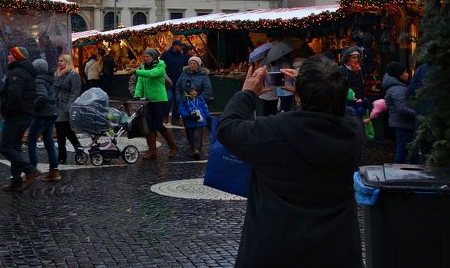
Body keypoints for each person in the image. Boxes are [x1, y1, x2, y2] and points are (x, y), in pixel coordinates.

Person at [217, 59, 365, 268]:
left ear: (297, 97)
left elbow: (227, 127)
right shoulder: (353, 133)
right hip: (337, 250)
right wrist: (321, 87)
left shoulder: (273, 131)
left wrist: (247, 93)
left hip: (274, 248)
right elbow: (345, 111)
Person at [0, 45, 41, 190]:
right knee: (15, 147)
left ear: (17, 57)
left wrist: (7, 111)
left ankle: (30, 170)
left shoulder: (17, 73)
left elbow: (14, 96)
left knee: (5, 147)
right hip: (24, 114)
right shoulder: (25, 72)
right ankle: (16, 181)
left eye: (11, 55)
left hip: (16, 115)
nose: (8, 57)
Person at [133, 47, 178, 159]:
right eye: (144, 56)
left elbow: (151, 74)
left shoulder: (160, 66)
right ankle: (152, 151)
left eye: (147, 56)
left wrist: (136, 71)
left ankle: (173, 146)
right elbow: (140, 82)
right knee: (149, 125)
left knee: (158, 124)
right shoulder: (144, 67)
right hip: (148, 101)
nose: (145, 58)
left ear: (153, 56)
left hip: (160, 100)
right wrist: (137, 95)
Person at [27, 58, 60, 181]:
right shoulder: (48, 79)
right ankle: (54, 170)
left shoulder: (38, 81)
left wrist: (32, 107)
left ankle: (32, 170)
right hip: (51, 113)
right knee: (49, 141)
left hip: (42, 115)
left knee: (31, 141)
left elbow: (42, 96)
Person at [175, 55, 213, 157]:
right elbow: (178, 87)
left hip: (198, 106)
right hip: (185, 103)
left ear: (198, 65)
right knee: (188, 127)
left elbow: (208, 90)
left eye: (194, 63)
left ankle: (197, 147)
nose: (192, 65)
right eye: (190, 63)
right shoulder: (184, 74)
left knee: (197, 127)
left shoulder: (204, 75)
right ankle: (192, 145)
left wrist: (199, 100)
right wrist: (180, 100)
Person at [52, 53, 85, 164]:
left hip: (66, 105)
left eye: (62, 60)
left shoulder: (73, 74)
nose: (59, 62)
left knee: (65, 129)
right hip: (57, 105)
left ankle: (76, 149)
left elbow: (75, 92)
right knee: (60, 130)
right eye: (59, 60)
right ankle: (64, 154)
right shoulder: (57, 74)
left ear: (67, 62)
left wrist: (70, 106)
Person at [382, 61, 417, 163]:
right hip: (403, 123)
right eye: (405, 72)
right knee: (403, 150)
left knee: (403, 149)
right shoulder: (398, 89)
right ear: (398, 74)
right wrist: (416, 114)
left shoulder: (396, 87)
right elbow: (401, 108)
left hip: (401, 123)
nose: (407, 74)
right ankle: (398, 172)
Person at [161, 40, 188, 125]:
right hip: (168, 82)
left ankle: (175, 120)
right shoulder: (165, 55)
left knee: (178, 101)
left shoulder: (182, 56)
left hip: (179, 82)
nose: (181, 47)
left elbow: (185, 67)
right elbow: (161, 67)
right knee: (169, 99)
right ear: (174, 46)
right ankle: (165, 115)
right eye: (180, 46)